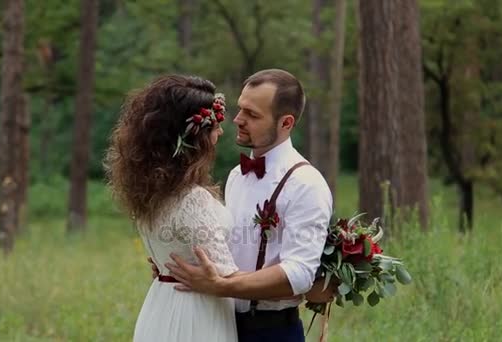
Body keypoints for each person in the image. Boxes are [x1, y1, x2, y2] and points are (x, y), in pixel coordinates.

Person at [162, 69, 336, 342]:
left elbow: (300, 273)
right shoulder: (235, 176)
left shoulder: (306, 184)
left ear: (286, 123)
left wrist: (222, 285)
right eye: (241, 108)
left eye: (253, 115)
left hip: (271, 331)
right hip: (218, 324)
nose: (238, 120)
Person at [105, 75, 239, 342]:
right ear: (195, 136)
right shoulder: (193, 199)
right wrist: (293, 282)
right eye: (215, 126)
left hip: (161, 304)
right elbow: (225, 275)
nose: (221, 132)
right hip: (196, 316)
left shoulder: (152, 193)